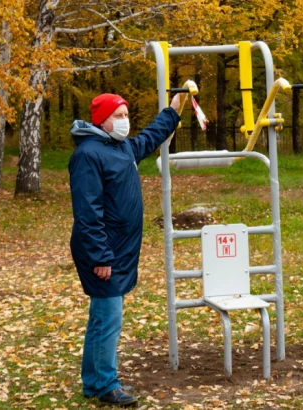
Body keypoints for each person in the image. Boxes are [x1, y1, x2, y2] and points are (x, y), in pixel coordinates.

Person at [69, 92, 182, 407]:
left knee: (101, 317)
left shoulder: (121, 147)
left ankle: (93, 382)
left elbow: (149, 138)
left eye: (125, 114)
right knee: (110, 316)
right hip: (103, 251)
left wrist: (171, 113)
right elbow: (88, 213)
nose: (124, 121)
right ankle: (106, 384)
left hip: (117, 248)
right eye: (118, 116)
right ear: (102, 120)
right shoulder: (88, 155)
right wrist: (100, 257)